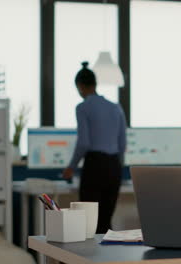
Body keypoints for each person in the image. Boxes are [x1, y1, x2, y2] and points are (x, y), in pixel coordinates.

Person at [62, 61, 127, 234]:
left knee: (90, 225)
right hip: (114, 167)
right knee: (105, 222)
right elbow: (122, 145)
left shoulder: (83, 107)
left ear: (80, 86)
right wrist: (115, 166)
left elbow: (84, 142)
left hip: (95, 166)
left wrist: (71, 167)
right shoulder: (116, 107)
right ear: (95, 84)